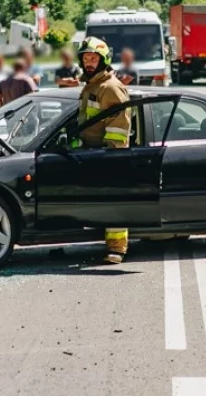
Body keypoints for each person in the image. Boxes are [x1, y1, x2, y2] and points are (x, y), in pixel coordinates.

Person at [75, 37, 131, 264]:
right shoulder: (92, 85)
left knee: (113, 201)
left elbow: (120, 125)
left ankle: (117, 248)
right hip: (90, 153)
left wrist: (112, 154)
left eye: (93, 58)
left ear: (103, 60)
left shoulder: (110, 88)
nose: (89, 62)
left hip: (107, 154)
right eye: (86, 58)